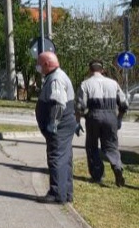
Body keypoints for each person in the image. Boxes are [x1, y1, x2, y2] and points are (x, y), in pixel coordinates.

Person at [76, 61, 129, 187]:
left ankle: (97, 175)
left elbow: (79, 106)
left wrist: (77, 122)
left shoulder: (85, 84)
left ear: (90, 70)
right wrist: (119, 119)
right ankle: (117, 166)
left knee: (92, 146)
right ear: (103, 70)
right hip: (111, 117)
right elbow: (124, 104)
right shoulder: (113, 83)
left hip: (93, 116)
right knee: (111, 146)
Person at [35, 51, 76, 203]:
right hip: (65, 123)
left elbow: (59, 103)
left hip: (60, 125)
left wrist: (53, 123)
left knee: (56, 157)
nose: (38, 67)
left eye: (39, 64)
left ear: (47, 64)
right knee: (65, 158)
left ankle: (57, 193)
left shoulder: (56, 79)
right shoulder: (56, 76)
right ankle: (66, 193)